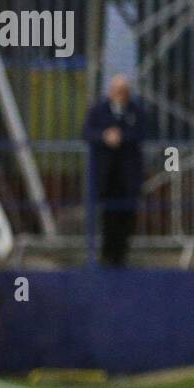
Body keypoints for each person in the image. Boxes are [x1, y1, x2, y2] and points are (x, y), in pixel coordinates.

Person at [82, 74, 145, 267]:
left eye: (123, 91)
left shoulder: (136, 111)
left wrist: (121, 137)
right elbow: (86, 132)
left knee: (127, 215)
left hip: (128, 173)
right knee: (108, 214)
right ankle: (107, 255)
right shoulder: (98, 110)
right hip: (106, 173)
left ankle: (121, 254)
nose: (119, 94)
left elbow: (142, 132)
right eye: (116, 90)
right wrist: (104, 136)